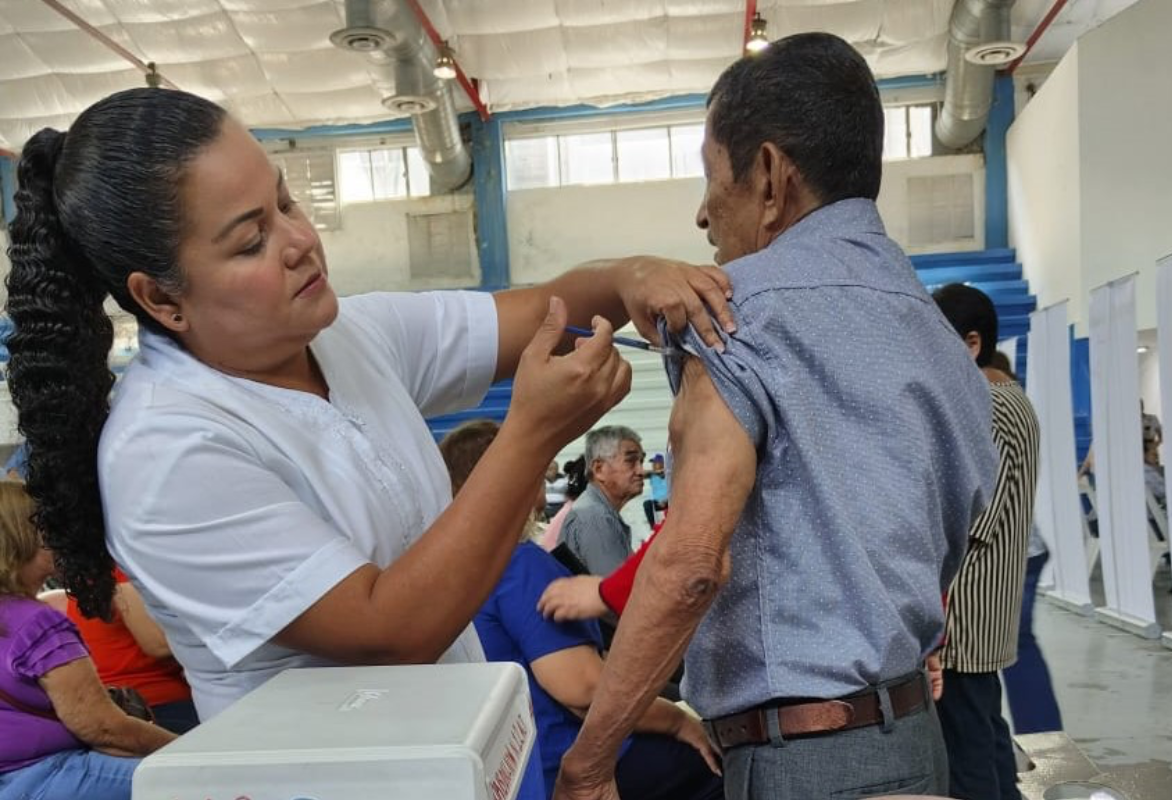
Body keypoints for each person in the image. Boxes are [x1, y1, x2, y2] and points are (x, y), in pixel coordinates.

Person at [3, 87, 735, 722]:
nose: (299, 241)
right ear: (161, 298)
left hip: (454, 745)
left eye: (286, 201)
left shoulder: (346, 334)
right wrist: (533, 434)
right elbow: (392, 628)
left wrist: (632, 274)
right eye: (252, 239)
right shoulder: (167, 448)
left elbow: (545, 309)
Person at [552, 33, 998, 800]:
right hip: (918, 740)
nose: (700, 212)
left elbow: (691, 564)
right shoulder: (938, 338)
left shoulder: (735, 315)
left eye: (708, 175)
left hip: (803, 760)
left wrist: (589, 762)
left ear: (769, 177)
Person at [440, 421, 722, 800]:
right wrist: (676, 722)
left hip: (518, 771)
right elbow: (584, 693)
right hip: (575, 762)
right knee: (716, 765)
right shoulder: (520, 566)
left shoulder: (447, 575)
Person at [0, 481, 176, 800]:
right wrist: (189, 753)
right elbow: (102, 728)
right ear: (23, 537)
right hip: (49, 775)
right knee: (208, 785)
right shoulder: (36, 622)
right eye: (47, 527)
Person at [933, 283, 1039, 800]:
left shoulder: (991, 406)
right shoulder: (1010, 400)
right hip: (981, 614)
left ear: (971, 344)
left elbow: (974, 514)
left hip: (966, 613)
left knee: (968, 760)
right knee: (989, 739)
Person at [989, 353, 1063, 736]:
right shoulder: (1015, 405)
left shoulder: (999, 409)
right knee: (1015, 647)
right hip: (1022, 549)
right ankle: (1041, 736)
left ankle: (1041, 738)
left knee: (1011, 648)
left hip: (1011, 553)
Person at [41, 570, 200, 734]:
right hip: (152, 703)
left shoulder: (86, 575)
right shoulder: (119, 570)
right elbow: (157, 645)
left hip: (116, 707)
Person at [561, 427, 645, 576]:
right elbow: (616, 593)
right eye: (630, 461)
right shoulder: (596, 518)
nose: (641, 471)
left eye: (641, 461)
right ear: (599, 469)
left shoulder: (597, 511)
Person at [541, 456, 587, 552]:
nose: (549, 472)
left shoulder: (564, 481)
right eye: (548, 469)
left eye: (552, 469)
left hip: (559, 508)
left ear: (557, 470)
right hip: (546, 511)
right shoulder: (541, 482)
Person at [642, 454, 669, 527]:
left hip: (669, 501)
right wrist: (655, 472)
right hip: (657, 503)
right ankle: (653, 527)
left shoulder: (669, 473)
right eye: (652, 463)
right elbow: (641, 473)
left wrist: (666, 500)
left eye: (655, 463)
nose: (653, 465)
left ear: (661, 463)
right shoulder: (652, 475)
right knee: (647, 503)